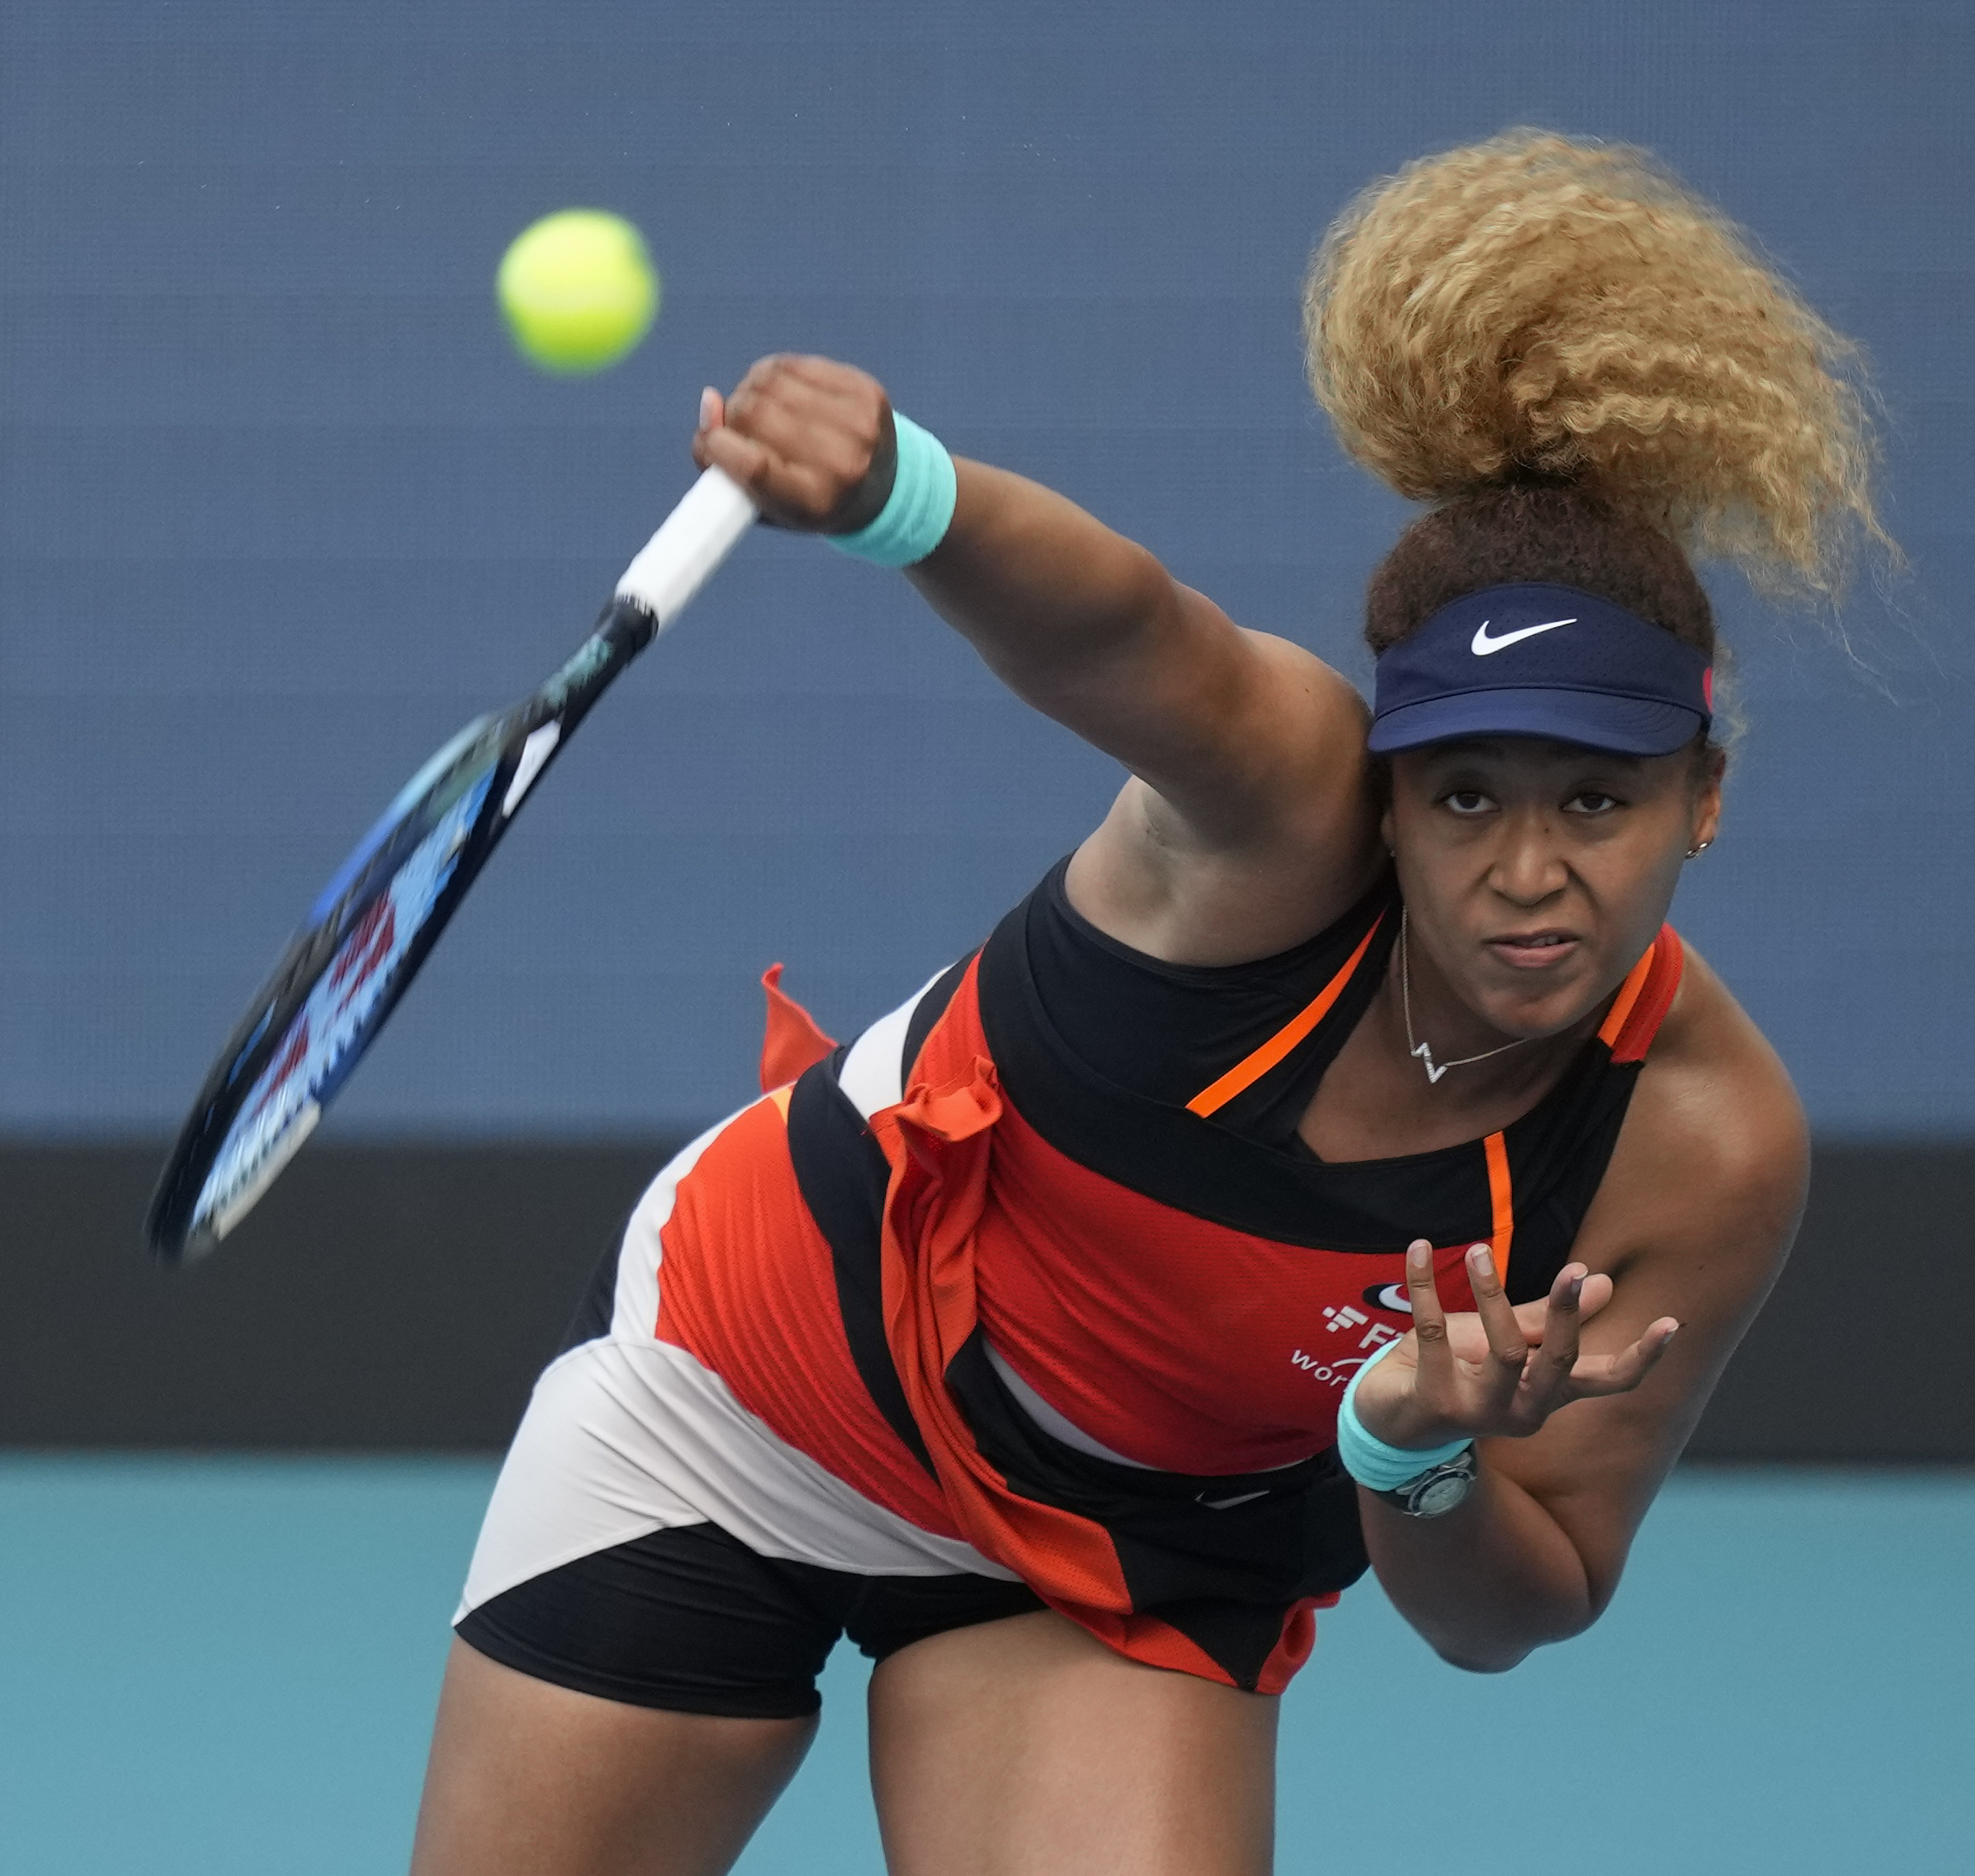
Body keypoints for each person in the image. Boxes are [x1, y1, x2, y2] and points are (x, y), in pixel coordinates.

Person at [410, 129, 1886, 1876]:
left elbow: (1515, 1607)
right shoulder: (1280, 806)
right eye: (1467, 795)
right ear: (1388, 787)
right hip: (765, 1378)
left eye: (1599, 801)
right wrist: (906, 495)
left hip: (1139, 1557)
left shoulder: (1702, 1147)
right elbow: (1127, 636)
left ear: (1704, 801)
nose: (1529, 869)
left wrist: (1404, 1452)